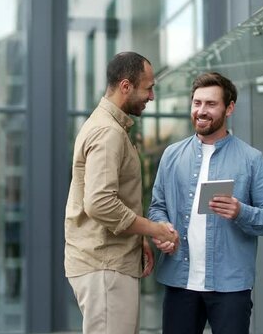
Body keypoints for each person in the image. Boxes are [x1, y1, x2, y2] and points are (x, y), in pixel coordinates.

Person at [148, 71, 263, 334]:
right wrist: (161, 227)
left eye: (211, 104)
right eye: (197, 103)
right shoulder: (171, 155)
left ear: (229, 108)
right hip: (179, 284)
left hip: (231, 288)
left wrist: (241, 211)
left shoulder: (252, 159)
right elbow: (157, 206)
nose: (201, 111)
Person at [64, 51, 179, 334]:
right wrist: (154, 230)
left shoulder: (109, 126)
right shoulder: (108, 132)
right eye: (148, 88)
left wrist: (138, 238)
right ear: (126, 86)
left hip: (108, 262)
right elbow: (100, 203)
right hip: (105, 265)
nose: (152, 96)